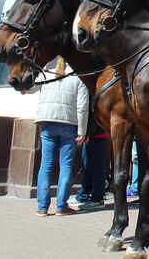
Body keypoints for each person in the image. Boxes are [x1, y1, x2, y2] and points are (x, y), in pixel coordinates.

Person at [34, 70, 88, 216]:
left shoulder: (46, 72)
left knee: (45, 165)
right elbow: (82, 105)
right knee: (66, 165)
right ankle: (61, 206)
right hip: (68, 123)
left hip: (48, 122)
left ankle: (42, 207)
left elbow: (31, 87)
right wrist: (82, 131)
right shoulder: (77, 76)